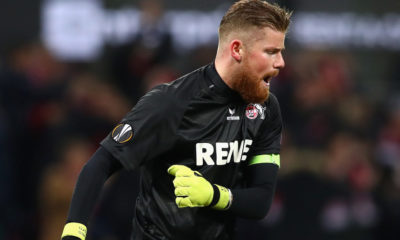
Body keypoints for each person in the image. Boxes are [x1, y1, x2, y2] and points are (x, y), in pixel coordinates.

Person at [60, 0, 292, 239]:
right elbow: (100, 164)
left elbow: (262, 200)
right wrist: (74, 233)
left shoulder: (266, 109)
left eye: (280, 51)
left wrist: (213, 195)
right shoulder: (170, 103)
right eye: (271, 52)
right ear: (237, 50)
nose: (280, 62)